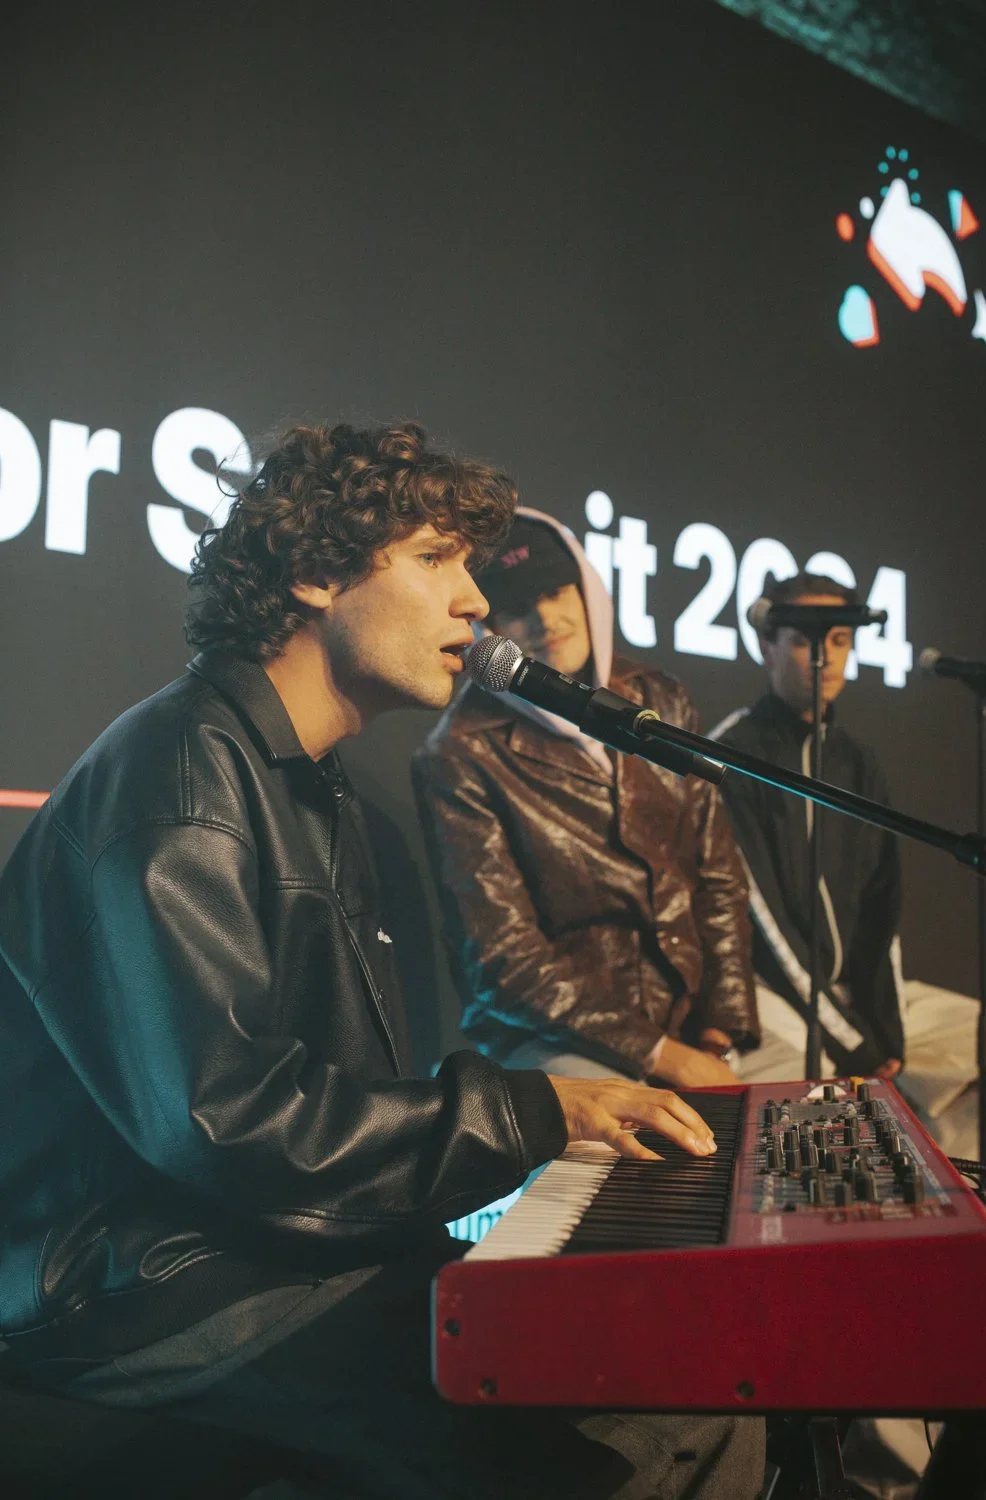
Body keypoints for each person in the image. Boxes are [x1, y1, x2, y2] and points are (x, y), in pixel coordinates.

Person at [0, 424, 763, 1500]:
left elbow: (316, 1109)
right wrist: (537, 1112)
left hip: (235, 1244)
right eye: (434, 559)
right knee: (637, 1424)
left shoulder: (308, 782)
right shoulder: (179, 777)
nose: (472, 603)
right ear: (315, 573)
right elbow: (225, 1121)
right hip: (133, 1280)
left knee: (670, 1359)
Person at [412, 508, 759, 1089]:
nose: (546, 619)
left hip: (698, 1028)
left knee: (821, 1112)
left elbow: (718, 877)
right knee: (610, 1148)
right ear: (489, 629)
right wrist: (664, 1058)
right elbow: (506, 961)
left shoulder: (660, 699)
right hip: (557, 1043)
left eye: (554, 591)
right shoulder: (459, 753)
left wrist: (719, 1035)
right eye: (519, 608)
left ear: (585, 589)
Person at [711, 571, 986, 1157]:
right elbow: (760, 925)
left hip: (851, 1000)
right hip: (772, 996)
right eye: (804, 641)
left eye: (839, 640)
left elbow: (879, 909)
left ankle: (958, 1221)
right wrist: (853, 1043)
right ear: (766, 646)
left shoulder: (858, 762)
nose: (825, 658)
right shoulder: (730, 752)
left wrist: (884, 1025)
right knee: (824, 1108)